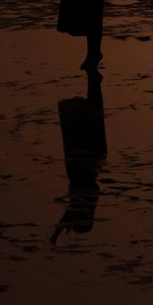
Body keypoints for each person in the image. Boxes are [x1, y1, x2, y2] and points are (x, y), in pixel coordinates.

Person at [51, 69, 107, 243]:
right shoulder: (84, 200)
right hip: (84, 161)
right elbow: (71, 211)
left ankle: (94, 80)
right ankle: (94, 79)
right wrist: (56, 233)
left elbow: (70, 212)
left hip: (91, 160)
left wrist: (57, 233)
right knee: (90, 116)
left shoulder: (86, 202)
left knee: (93, 114)